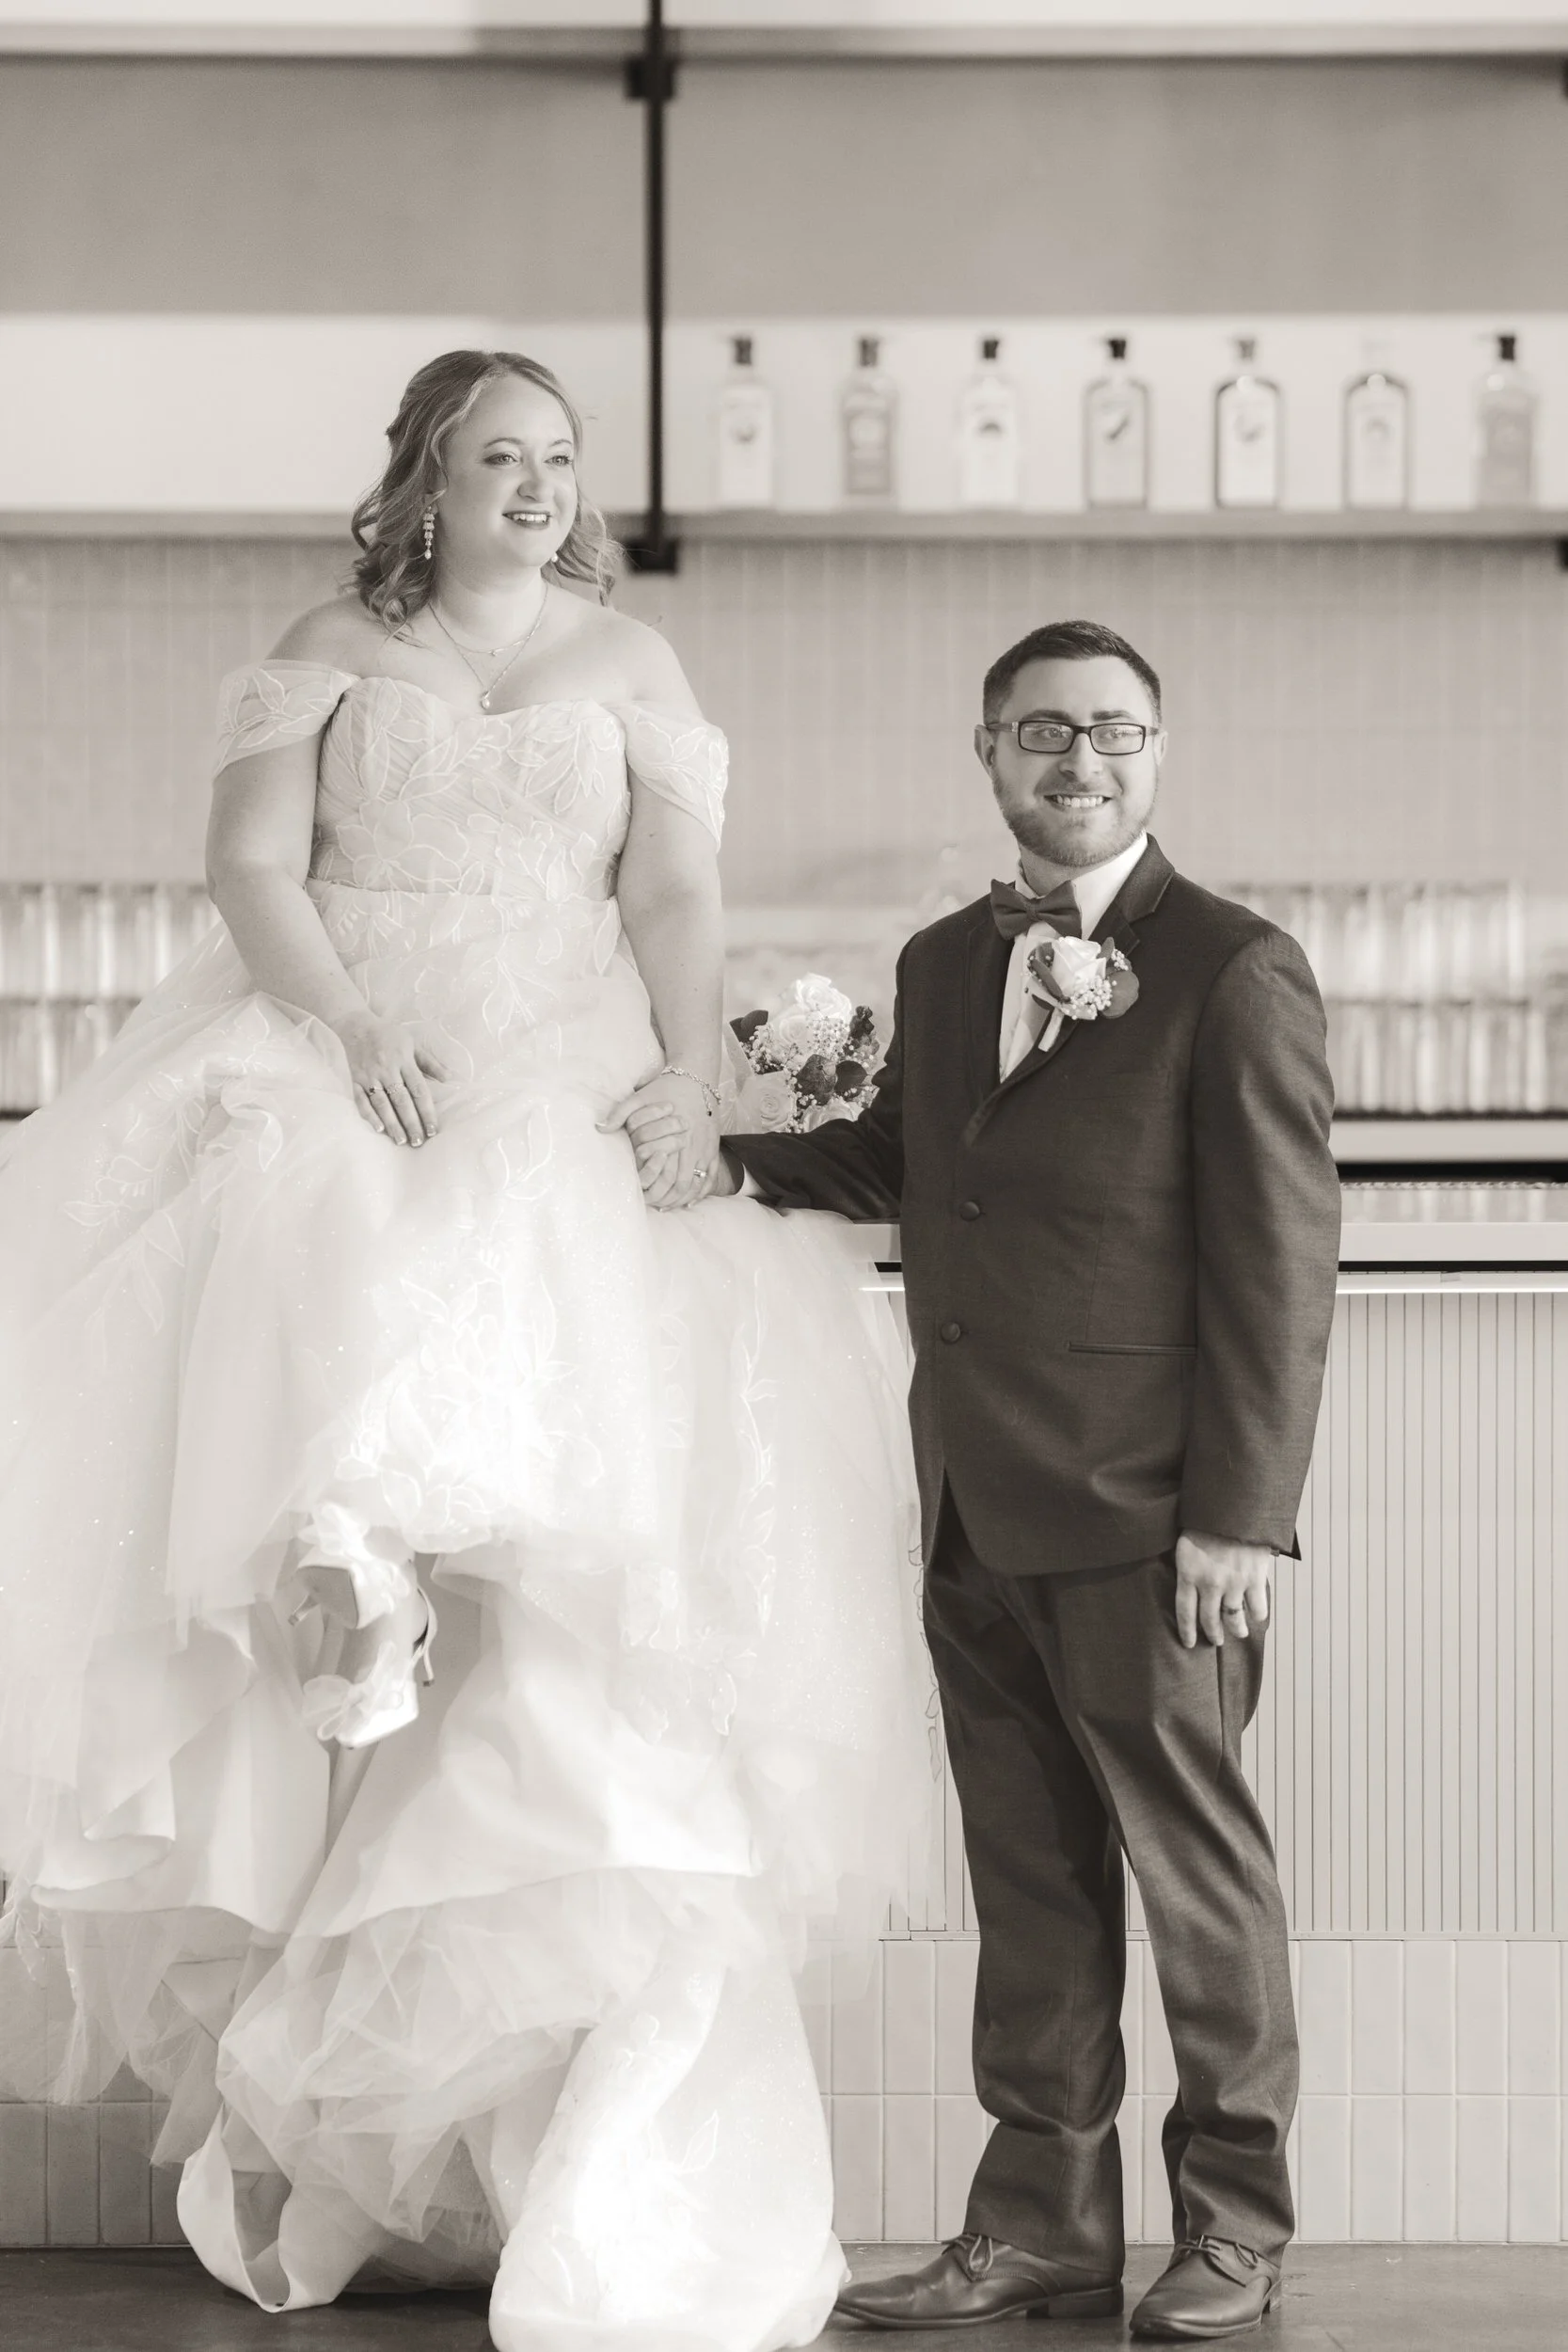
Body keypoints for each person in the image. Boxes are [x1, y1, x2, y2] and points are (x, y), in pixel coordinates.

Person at [0, 349, 933, 2352]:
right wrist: (347, 1025)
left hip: (559, 1051)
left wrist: (688, 1076)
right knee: (302, 1225)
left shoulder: (635, 663)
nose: (534, 482)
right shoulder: (327, 641)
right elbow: (253, 864)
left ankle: (540, 2091)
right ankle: (354, 1575)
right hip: (362, 1035)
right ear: (421, 478)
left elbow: (673, 887)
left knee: (579, 1543)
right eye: (494, 453)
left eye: (557, 457)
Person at [671, 620, 1341, 2339]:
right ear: (986, 755)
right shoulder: (941, 962)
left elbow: (1278, 1270)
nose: (1078, 762)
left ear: (1156, 754)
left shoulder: (1232, 968)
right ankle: (1039, 2223)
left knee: (1199, 1883)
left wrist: (1239, 1515)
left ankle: (1236, 2225)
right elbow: (908, 1166)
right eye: (1041, 733)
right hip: (972, 1498)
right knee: (1031, 1880)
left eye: (1112, 732)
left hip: (1150, 1516)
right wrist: (709, 1158)